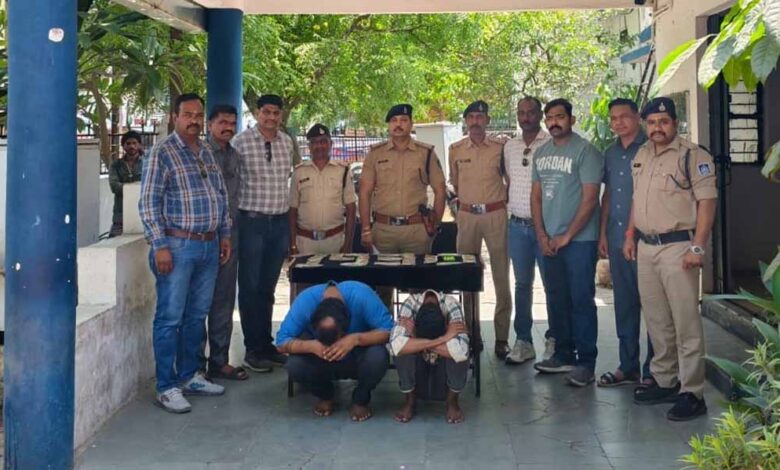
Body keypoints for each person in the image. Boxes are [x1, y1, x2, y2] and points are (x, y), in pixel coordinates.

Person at [624, 97, 716, 421]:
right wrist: (630, 235)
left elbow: (707, 203)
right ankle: (665, 381)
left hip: (679, 248)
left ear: (675, 123)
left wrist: (698, 247)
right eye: (651, 123)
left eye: (663, 122)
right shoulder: (642, 154)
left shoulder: (693, 155)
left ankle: (692, 392)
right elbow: (637, 199)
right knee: (657, 321)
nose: (657, 128)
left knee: (685, 322)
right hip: (647, 247)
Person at [139, 93, 232, 413]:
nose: (194, 120)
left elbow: (220, 195)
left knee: (196, 315)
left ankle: (190, 375)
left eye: (198, 115)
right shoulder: (161, 153)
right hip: (176, 247)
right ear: (174, 117)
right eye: (187, 114)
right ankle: (166, 386)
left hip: (208, 245)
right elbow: (148, 203)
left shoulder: (205, 150)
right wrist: (159, 245)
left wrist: (224, 234)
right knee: (170, 317)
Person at [530, 98, 604, 387]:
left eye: (560, 117)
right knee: (556, 298)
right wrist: (541, 235)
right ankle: (563, 355)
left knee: (581, 299)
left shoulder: (586, 151)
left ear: (571, 119)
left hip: (579, 241)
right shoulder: (541, 153)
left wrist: (568, 235)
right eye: (549, 118)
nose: (554, 122)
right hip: (550, 241)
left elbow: (590, 199)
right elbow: (536, 197)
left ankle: (586, 363)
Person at [358, 104, 446, 306]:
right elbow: (364, 192)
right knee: (382, 291)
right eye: (394, 121)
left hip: (415, 231)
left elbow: (440, 190)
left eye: (404, 120)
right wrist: (365, 229)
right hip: (383, 231)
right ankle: (384, 326)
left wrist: (435, 223)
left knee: (419, 290)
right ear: (388, 125)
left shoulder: (426, 153)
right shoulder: (375, 154)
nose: (398, 125)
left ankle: (415, 325)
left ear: (411, 124)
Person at [232, 94, 295, 373]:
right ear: (258, 113)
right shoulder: (241, 142)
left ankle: (266, 344)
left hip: (278, 224)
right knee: (250, 287)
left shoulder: (287, 142)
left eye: (276, 113)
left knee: (268, 288)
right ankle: (252, 349)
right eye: (266, 112)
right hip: (252, 223)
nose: (271, 117)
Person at [597, 98, 654, 388]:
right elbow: (608, 194)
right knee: (625, 303)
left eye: (624, 116)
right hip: (618, 237)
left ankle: (654, 370)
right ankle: (628, 366)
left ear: (637, 117)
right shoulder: (610, 153)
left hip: (649, 239)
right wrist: (603, 233)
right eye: (613, 118)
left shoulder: (651, 148)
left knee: (654, 307)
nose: (618, 122)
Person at [277, 281, 393, 422]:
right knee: (294, 365)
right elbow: (281, 342)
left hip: (356, 356)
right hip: (321, 358)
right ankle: (325, 395)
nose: (333, 344)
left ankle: (360, 399)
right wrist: (311, 346)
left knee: (378, 356)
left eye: (335, 338)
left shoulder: (362, 295)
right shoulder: (305, 302)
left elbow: (390, 332)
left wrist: (356, 339)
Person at [448, 100, 511, 359]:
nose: (475, 121)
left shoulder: (501, 147)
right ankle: (472, 333)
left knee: (501, 276)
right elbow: (455, 182)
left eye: (480, 117)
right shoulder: (455, 149)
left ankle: (502, 338)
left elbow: (510, 179)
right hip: (467, 216)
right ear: (466, 121)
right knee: (466, 275)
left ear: (487, 120)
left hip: (495, 214)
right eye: (471, 117)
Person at [503, 97, 554, 364]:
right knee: (522, 285)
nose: (526, 117)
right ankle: (523, 341)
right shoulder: (510, 146)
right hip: (517, 226)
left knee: (551, 284)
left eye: (531, 112)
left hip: (546, 228)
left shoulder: (552, 143)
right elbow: (509, 180)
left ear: (540, 114)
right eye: (521, 113)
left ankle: (555, 339)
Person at [200, 104, 247, 381]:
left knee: (224, 299)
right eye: (222, 123)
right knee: (198, 301)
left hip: (231, 235)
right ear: (210, 125)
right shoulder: (199, 154)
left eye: (232, 123)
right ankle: (196, 365)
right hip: (203, 236)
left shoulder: (235, 156)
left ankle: (219, 361)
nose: (228, 127)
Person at [389, 290, 470, 424]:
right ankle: (410, 400)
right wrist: (443, 338)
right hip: (419, 368)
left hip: (443, 371)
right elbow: (395, 346)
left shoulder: (451, 304)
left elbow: (462, 350)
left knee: (459, 354)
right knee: (401, 352)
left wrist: (418, 339)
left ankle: (452, 401)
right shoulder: (411, 303)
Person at [289, 124, 357, 256]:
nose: (319, 146)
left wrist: (348, 244)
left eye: (323, 141)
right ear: (309, 146)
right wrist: (292, 244)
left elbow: (351, 208)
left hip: (335, 241)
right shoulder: (299, 173)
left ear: (331, 144)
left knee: (334, 271)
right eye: (314, 142)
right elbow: (292, 211)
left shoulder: (342, 171)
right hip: (305, 243)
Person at [109, 130, 144, 237]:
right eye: (128, 143)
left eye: (134, 143)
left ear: (139, 145)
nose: (131, 146)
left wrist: (128, 188)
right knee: (113, 240)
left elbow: (149, 186)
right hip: (120, 215)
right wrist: (135, 189)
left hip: (141, 213)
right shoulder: (116, 165)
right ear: (123, 146)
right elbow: (114, 186)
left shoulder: (147, 163)